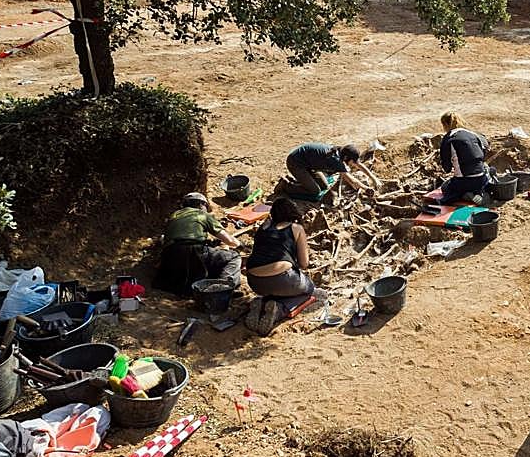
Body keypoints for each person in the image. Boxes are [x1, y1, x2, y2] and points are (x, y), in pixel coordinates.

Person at [245, 198, 318, 334]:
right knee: (309, 289)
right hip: (282, 278)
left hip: (254, 281)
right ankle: (279, 310)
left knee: (276, 290)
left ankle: (261, 305)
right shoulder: (296, 228)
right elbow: (304, 264)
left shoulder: (264, 227)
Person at [154, 192, 241, 296]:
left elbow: (177, 237)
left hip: (170, 255)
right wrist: (240, 244)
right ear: (201, 204)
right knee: (233, 257)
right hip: (193, 252)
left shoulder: (174, 216)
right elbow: (229, 241)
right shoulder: (201, 215)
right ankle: (222, 289)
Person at [285, 142, 379, 199]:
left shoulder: (341, 151)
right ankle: (286, 186)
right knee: (315, 191)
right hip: (296, 163)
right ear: (346, 157)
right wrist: (366, 189)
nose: (353, 164)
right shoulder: (336, 160)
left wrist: (373, 178)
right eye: (352, 162)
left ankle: (300, 181)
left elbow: (359, 165)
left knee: (324, 185)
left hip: (309, 164)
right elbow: (351, 180)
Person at [438, 112, 490, 205]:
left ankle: (466, 195)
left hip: (464, 182)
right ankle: (479, 192)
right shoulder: (474, 134)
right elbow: (484, 151)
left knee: (445, 187)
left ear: (445, 124)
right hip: (481, 179)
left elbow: (447, 168)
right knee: (488, 172)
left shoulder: (449, 138)